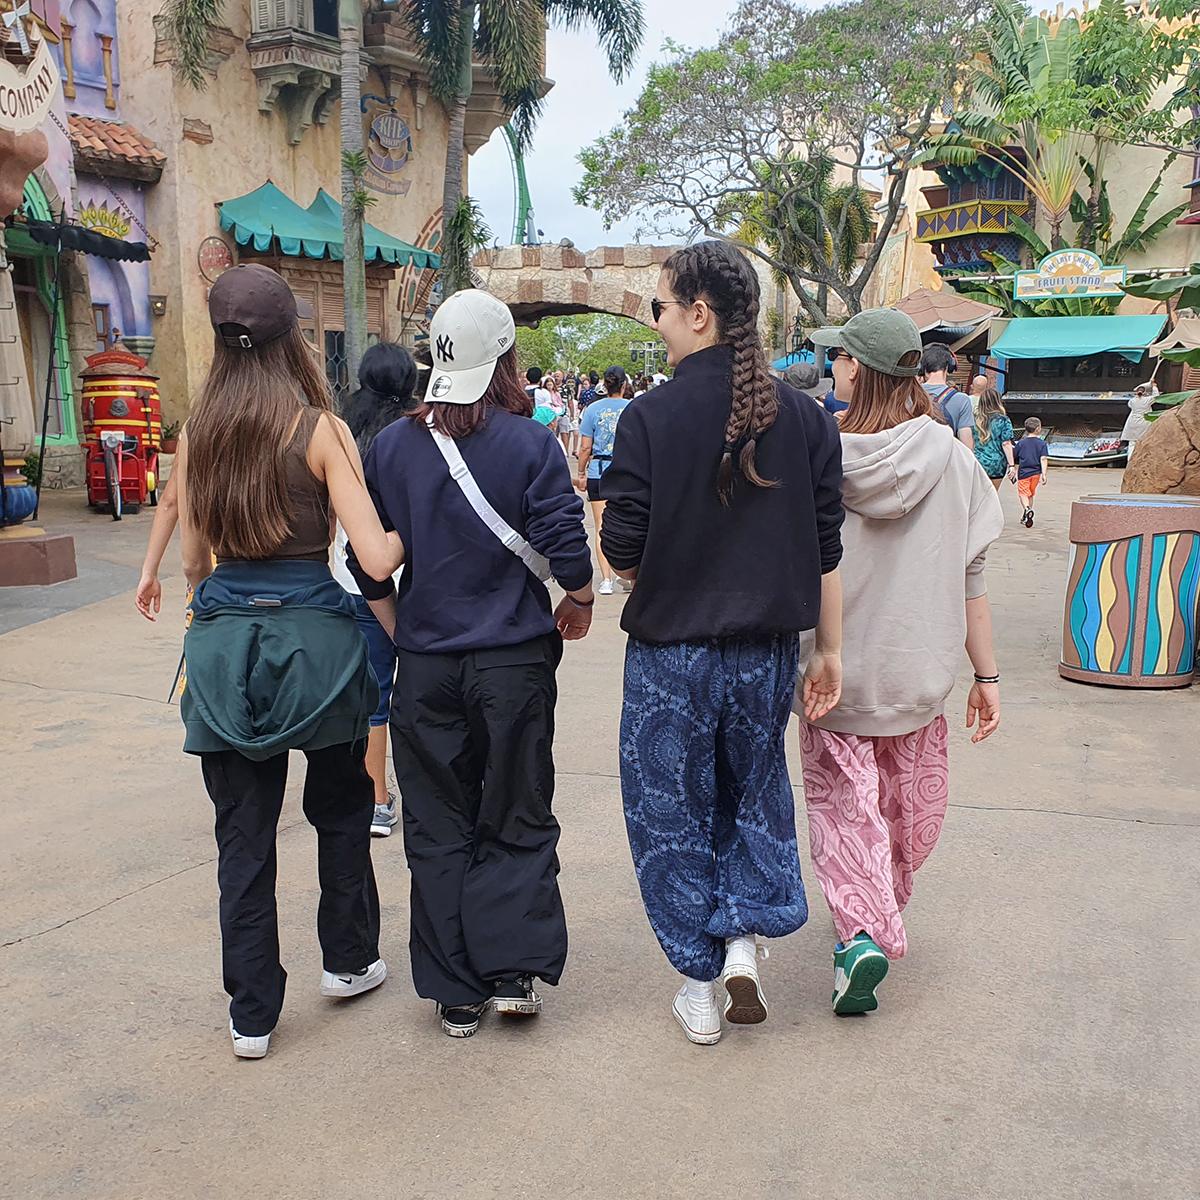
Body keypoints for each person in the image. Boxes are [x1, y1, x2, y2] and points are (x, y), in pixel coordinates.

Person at [600, 240, 845, 1047]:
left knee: (670, 812)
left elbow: (621, 551)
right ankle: (742, 940)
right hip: (765, 652)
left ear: (698, 314)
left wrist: (672, 570)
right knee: (752, 790)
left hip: (671, 655)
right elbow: (826, 549)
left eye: (662, 307)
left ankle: (699, 985)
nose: (658, 322)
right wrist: (828, 651)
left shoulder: (648, 418)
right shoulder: (807, 419)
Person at [347, 289, 596, 1040]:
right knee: (515, 809)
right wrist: (580, 599)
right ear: (505, 360)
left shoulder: (391, 448)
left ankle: (455, 991)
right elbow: (567, 547)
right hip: (512, 663)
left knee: (437, 822)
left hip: (426, 668)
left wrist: (402, 630)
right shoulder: (529, 443)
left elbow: (367, 565)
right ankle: (513, 972)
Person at [174, 264, 404, 1059]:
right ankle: (348, 960)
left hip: (224, 648)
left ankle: (251, 1015)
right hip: (319, 646)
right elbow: (374, 554)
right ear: (291, 341)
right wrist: (419, 520)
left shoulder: (196, 436)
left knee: (242, 836)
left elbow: (193, 563)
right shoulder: (320, 429)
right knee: (340, 810)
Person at [796, 307, 1004, 1017]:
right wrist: (987, 677)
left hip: (831, 680)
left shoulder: (817, 457)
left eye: (839, 358)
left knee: (843, 813)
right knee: (897, 814)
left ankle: (860, 932)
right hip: (918, 679)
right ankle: (873, 913)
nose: (833, 368)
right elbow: (973, 578)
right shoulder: (955, 460)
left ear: (855, 369)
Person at [333, 341, 419, 837]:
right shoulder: (416, 432)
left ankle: (376, 800)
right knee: (422, 692)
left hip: (352, 581)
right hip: (415, 580)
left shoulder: (341, 431)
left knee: (372, 697)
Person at [576, 365, 634, 596]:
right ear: (624, 385)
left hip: (598, 471)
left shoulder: (592, 409)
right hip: (626, 471)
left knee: (601, 526)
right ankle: (627, 573)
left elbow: (585, 447)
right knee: (628, 523)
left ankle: (607, 579)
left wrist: (581, 472)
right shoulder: (633, 408)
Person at [920, 344, 975, 450]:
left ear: (922, 368)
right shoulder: (962, 400)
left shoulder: (908, 396)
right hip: (945, 458)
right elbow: (967, 444)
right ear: (949, 367)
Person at [972, 387, 1017, 492]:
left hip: (978, 461)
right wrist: (1012, 465)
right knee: (992, 494)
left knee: (978, 494)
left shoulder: (974, 419)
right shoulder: (1003, 420)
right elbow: (1006, 444)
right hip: (997, 463)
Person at [1014, 416, 1049, 528]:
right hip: (1036, 473)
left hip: (1024, 472)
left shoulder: (1021, 443)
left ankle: (1027, 509)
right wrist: (1044, 474)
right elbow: (1043, 458)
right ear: (1038, 429)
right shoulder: (1042, 444)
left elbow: (1015, 456)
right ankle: (1026, 516)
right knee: (1030, 494)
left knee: (1023, 494)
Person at [1121, 384, 1155, 459]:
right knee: (1144, 442)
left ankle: (1130, 460)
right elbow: (1156, 396)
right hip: (1144, 423)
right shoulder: (1147, 400)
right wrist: (1154, 386)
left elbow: (1129, 405)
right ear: (1144, 392)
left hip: (1133, 423)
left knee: (1132, 444)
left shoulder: (1132, 401)